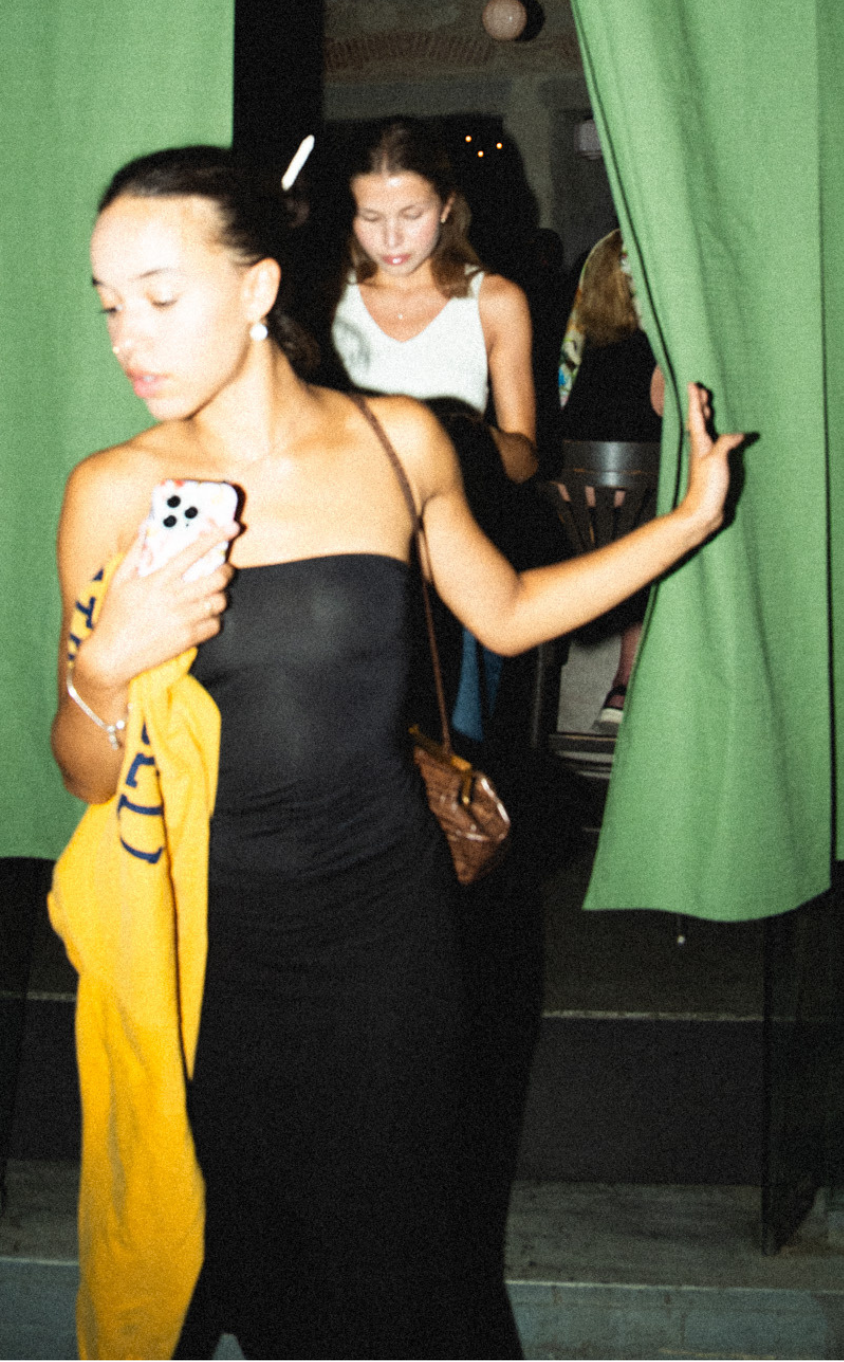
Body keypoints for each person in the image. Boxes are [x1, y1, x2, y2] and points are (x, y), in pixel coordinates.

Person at [51, 145, 741, 1360]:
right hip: (211, 938)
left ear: (259, 288)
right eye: (109, 304)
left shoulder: (397, 443)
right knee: (258, 1253)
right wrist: (104, 670)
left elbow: (508, 611)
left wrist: (687, 520)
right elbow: (86, 774)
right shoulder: (113, 488)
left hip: (387, 926)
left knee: (405, 1252)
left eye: (157, 297)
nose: (127, 338)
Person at [331, 117, 537, 743]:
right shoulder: (322, 297)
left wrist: (456, 434)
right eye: (370, 217)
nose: (391, 239)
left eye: (411, 214)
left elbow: (525, 456)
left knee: (453, 745)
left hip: (453, 548)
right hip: (343, 548)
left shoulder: (494, 301)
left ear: (447, 206)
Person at [557, 228, 667, 732]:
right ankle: (626, 681)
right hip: (627, 528)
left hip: (568, 525)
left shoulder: (580, 353)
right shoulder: (662, 356)